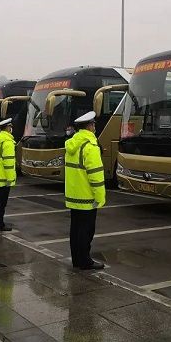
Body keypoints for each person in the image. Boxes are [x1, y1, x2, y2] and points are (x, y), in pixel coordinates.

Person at [65, 111, 106, 270]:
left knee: (75, 229)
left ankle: (77, 259)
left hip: (74, 196)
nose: (94, 127)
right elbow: (95, 175)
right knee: (86, 231)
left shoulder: (72, 144)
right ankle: (85, 261)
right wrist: (100, 197)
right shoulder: (90, 146)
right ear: (89, 126)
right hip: (87, 198)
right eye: (93, 124)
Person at [0, 118, 16, 231]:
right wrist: (11, 179)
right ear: (8, 128)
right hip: (4, 178)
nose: (11, 129)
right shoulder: (7, 142)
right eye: (10, 127)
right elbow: (8, 162)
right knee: (1, 203)